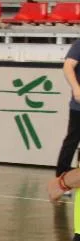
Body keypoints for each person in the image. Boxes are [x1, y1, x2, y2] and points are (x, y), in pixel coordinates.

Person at [53, 38, 80, 190]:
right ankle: (60, 181)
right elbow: (68, 66)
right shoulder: (79, 44)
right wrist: (76, 88)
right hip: (79, 107)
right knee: (72, 141)